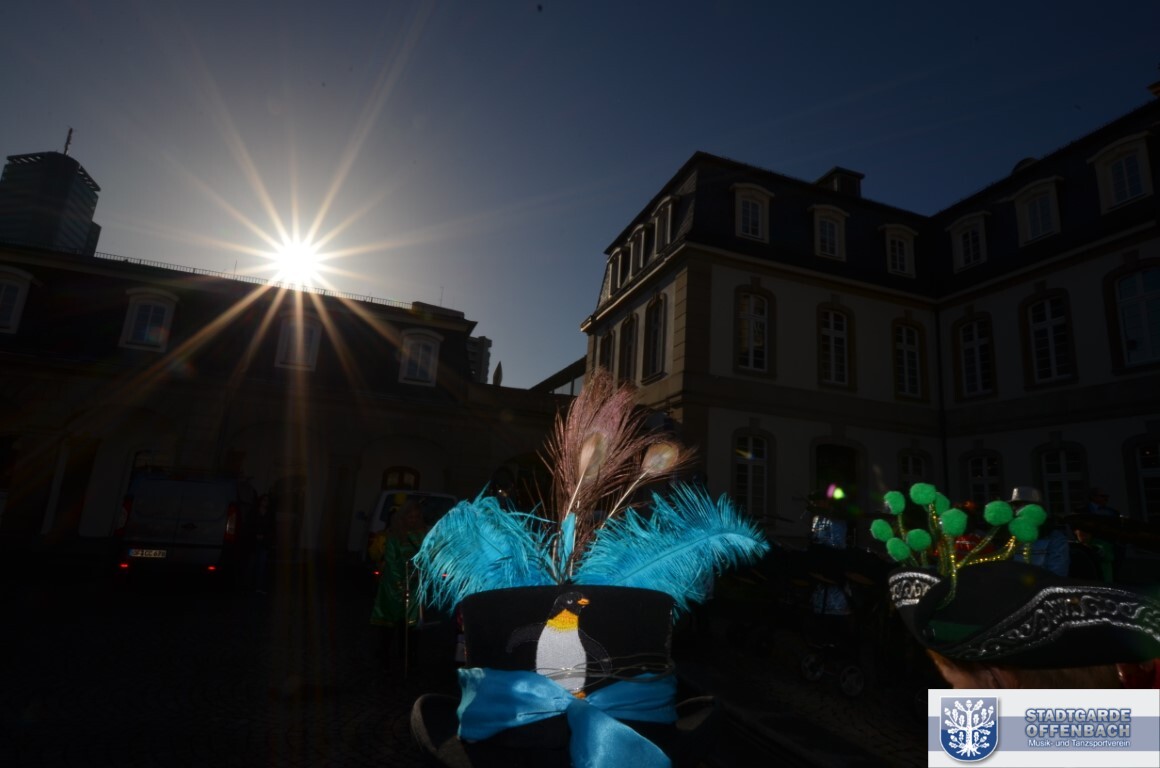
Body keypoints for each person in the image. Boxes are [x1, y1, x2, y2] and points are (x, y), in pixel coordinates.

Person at [370, 499, 429, 670]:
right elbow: (391, 561)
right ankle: (384, 656)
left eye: (416, 516)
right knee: (389, 623)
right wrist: (400, 585)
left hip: (414, 584)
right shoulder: (394, 535)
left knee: (411, 624)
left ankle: (409, 656)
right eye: (410, 516)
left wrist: (420, 572)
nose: (413, 520)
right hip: (393, 586)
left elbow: (425, 557)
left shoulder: (422, 535)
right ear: (403, 517)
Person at [1007, 486, 1069, 577]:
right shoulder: (1010, 536)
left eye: (1023, 505)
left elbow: (1057, 574)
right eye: (1016, 506)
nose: (1018, 511)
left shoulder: (1054, 538)